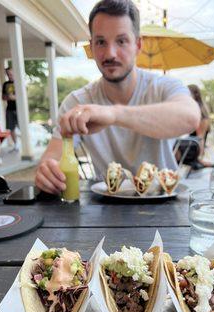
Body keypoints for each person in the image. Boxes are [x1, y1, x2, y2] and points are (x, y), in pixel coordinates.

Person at [35, 0, 200, 194]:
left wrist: (113, 114)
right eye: (101, 42)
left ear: (138, 45)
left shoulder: (164, 87)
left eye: (121, 41)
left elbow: (190, 117)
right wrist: (47, 172)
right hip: (106, 210)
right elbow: (52, 158)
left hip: (164, 204)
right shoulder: (78, 102)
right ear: (91, 47)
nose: (110, 53)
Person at [187, 84, 211, 168]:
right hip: (189, 149)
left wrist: (200, 158)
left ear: (195, 95)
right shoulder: (193, 109)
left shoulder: (200, 112)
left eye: (187, 94)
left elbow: (200, 138)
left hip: (192, 152)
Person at [2, 67, 18, 151]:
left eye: (11, 74)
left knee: (21, 127)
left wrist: (14, 97)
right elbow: (3, 97)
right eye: (8, 74)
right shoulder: (6, 84)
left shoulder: (19, 83)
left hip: (19, 109)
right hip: (10, 108)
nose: (9, 75)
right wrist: (8, 97)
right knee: (11, 128)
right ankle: (16, 145)